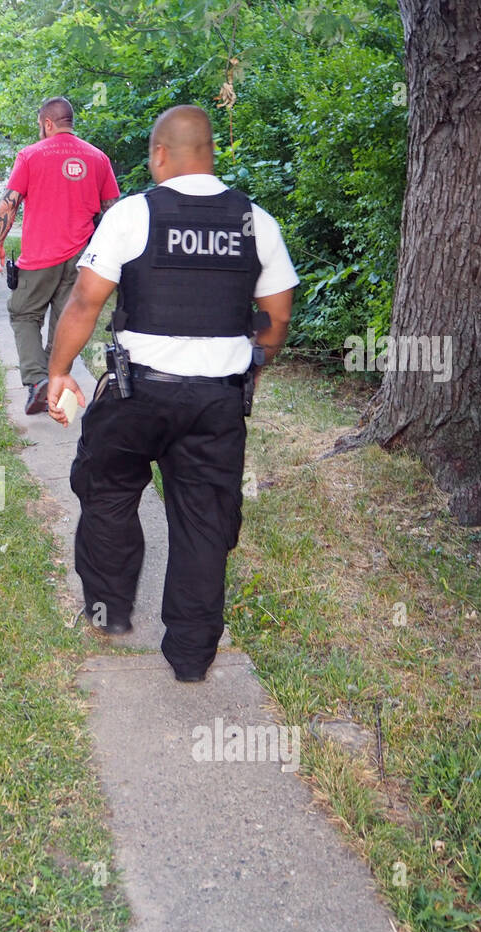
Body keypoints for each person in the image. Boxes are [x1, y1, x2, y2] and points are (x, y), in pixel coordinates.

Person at [45, 105, 296, 683]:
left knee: (106, 490)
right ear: (209, 153)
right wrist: (252, 364)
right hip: (217, 403)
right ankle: (190, 655)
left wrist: (59, 372)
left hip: (137, 396)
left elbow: (86, 302)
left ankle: (110, 612)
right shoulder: (255, 221)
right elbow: (277, 318)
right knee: (205, 520)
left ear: (160, 154)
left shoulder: (133, 215)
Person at [0, 97, 120, 415]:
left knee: (23, 313)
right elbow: (113, 211)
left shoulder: (30, 155)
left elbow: (9, 203)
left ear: (48, 123)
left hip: (39, 257)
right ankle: (54, 381)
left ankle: (37, 382)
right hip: (82, 260)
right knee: (67, 322)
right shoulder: (98, 158)